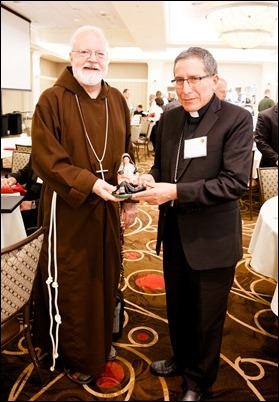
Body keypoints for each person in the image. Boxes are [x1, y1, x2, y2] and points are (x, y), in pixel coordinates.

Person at [132, 47, 253, 401]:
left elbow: (234, 183)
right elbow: (163, 168)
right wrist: (148, 179)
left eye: (194, 79)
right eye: (179, 80)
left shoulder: (236, 119)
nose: (185, 88)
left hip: (212, 239)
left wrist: (175, 192)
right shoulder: (169, 119)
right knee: (179, 306)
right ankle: (181, 358)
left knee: (207, 318)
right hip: (174, 233)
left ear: (213, 80)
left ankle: (199, 380)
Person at [30, 25, 137, 385]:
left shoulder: (116, 100)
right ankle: (72, 353)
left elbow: (126, 149)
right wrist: (92, 183)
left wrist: (127, 187)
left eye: (100, 54)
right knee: (75, 283)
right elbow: (48, 160)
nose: (92, 60)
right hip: (69, 209)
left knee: (104, 276)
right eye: (84, 53)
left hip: (108, 207)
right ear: (71, 57)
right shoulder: (52, 99)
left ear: (108, 59)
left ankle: (99, 341)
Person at [1, 155, 42, 231]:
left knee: (8, 219)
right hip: (26, 198)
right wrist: (14, 179)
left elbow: (59, 199)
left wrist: (33, 204)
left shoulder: (57, 162)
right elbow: (25, 172)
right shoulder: (37, 152)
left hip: (41, 209)